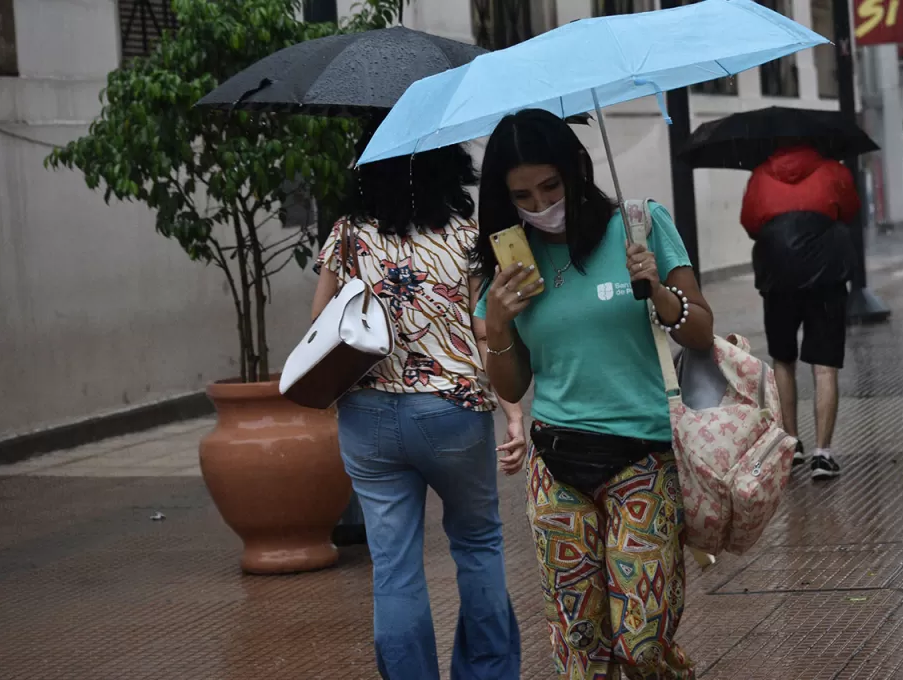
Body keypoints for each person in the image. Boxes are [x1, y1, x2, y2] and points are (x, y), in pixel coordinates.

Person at [473, 109, 713, 679]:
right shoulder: (511, 261)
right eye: (523, 195)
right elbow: (512, 385)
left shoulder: (638, 224)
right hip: (555, 467)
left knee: (641, 644)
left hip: (643, 459)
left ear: (575, 169)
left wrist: (656, 289)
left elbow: (701, 330)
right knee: (581, 645)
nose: (539, 204)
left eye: (550, 186)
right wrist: (500, 326)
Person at [310, 142, 524, 680]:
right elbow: (485, 331)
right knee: (478, 544)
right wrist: (514, 412)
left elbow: (321, 329)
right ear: (446, 161)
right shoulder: (465, 233)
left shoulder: (347, 234)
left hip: (368, 419)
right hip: (452, 412)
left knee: (394, 567)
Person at [740, 145, 856, 480]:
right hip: (826, 275)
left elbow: (750, 223)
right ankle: (823, 453)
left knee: (783, 361)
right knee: (825, 366)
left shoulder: (761, 174)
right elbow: (849, 211)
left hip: (778, 276)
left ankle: (791, 446)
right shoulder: (833, 170)